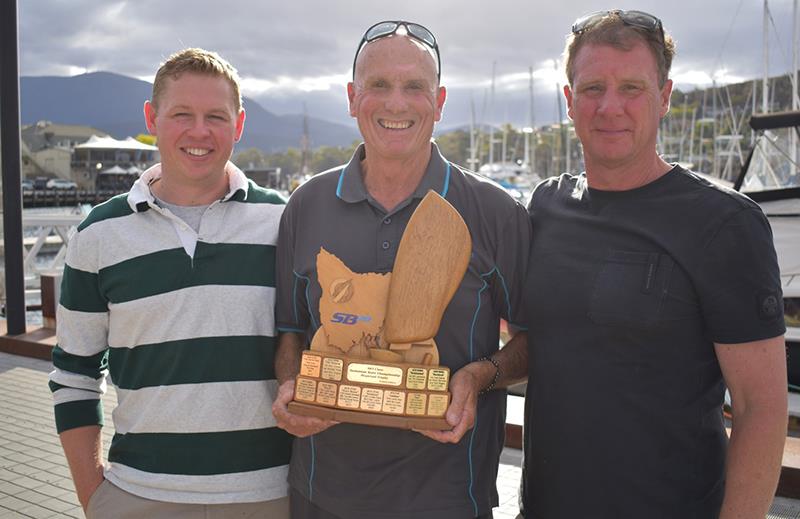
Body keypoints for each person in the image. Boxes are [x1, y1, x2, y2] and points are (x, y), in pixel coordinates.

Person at [520, 10, 788, 518]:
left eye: (632, 88)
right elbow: (538, 341)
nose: (610, 106)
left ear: (664, 97)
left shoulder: (724, 223)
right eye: (593, 87)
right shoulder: (545, 207)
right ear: (569, 100)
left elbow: (760, 408)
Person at [272, 21, 531, 519]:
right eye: (379, 85)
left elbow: (532, 339)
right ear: (352, 97)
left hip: (451, 499)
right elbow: (288, 332)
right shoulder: (306, 205)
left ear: (440, 102)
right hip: (320, 496)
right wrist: (289, 387)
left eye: (415, 86)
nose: (396, 103)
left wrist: (480, 377)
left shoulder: (496, 212)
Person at [48, 48, 292, 518]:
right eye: (182, 114)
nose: (199, 131)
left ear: (238, 125)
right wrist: (94, 496)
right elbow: (74, 375)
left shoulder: (284, 222)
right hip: (137, 496)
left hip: (267, 496)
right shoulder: (99, 233)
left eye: (215, 117)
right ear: (152, 118)